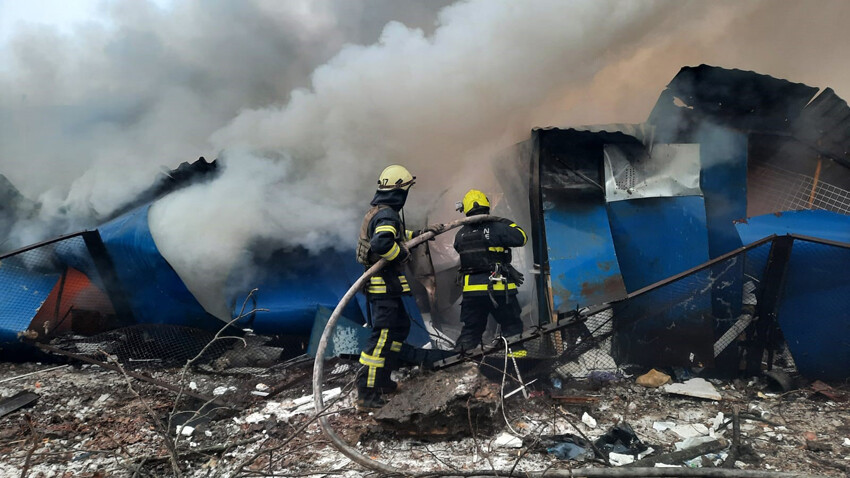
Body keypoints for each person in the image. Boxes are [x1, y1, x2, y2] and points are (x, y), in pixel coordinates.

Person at [355, 164, 434, 411]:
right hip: (383, 288)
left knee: (399, 329)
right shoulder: (387, 214)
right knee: (382, 338)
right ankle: (366, 394)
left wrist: (421, 234)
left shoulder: (381, 213)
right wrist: (399, 254)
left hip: (387, 286)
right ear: (400, 191)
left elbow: (395, 234)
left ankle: (382, 381)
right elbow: (382, 243)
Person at [452, 189, 528, 352]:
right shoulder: (499, 227)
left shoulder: (460, 234)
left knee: (471, 332)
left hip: (471, 293)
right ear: (487, 206)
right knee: (512, 328)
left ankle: (459, 364)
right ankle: (520, 364)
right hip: (499, 290)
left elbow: (460, 250)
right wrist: (505, 221)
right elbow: (522, 237)